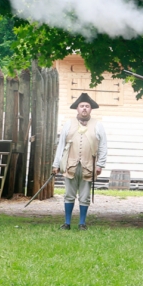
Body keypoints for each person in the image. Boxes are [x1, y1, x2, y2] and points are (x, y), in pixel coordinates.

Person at [52, 92, 108, 230]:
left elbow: (103, 146)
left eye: (87, 106)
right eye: (82, 106)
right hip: (70, 165)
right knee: (69, 195)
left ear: (91, 109)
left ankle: (82, 223)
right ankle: (67, 223)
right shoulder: (68, 124)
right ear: (77, 108)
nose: (84, 108)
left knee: (84, 196)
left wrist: (100, 164)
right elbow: (61, 146)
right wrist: (56, 164)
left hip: (89, 166)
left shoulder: (98, 125)